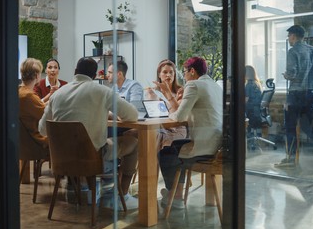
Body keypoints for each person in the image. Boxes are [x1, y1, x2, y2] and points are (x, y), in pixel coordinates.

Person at [38, 57, 139, 209]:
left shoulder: (57, 95)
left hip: (62, 161)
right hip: (92, 160)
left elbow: (42, 129)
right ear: (94, 76)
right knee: (133, 142)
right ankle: (122, 194)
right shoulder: (102, 91)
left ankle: (87, 189)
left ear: (75, 72)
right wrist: (109, 111)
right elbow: (132, 115)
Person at [155, 57, 223, 209]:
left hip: (204, 145)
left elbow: (179, 116)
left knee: (166, 152)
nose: (184, 76)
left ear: (192, 71)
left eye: (184, 72)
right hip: (218, 144)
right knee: (174, 146)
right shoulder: (215, 86)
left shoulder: (194, 85)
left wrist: (168, 115)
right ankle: (176, 193)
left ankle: (176, 196)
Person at [276, 25, 313, 168]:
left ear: (293, 36)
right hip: (312, 93)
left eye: (289, 36)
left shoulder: (293, 51)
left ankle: (291, 159)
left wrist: (286, 75)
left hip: (296, 94)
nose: (288, 39)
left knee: (290, 127)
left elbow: (292, 73)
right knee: (308, 127)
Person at [145, 59, 187, 151]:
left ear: (174, 74)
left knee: (152, 136)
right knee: (131, 133)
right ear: (159, 74)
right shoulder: (154, 92)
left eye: (171, 72)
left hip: (176, 130)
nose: (168, 75)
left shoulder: (181, 91)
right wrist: (152, 96)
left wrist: (169, 93)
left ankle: (150, 164)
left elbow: (177, 114)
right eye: (165, 72)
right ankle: (146, 164)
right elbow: (153, 115)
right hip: (159, 128)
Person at [19, 58, 48, 154]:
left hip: (23, 140)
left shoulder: (19, 91)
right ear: (36, 75)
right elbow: (46, 115)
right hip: (36, 141)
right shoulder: (29, 95)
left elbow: (39, 106)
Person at [245, 65, 263, 134]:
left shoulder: (249, 85)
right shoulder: (257, 83)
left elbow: (246, 100)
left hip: (251, 113)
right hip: (257, 112)